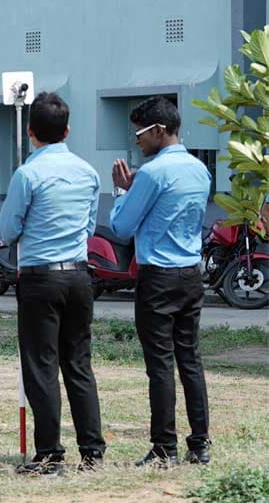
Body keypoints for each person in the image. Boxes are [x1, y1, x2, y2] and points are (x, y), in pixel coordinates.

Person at [0, 92, 106, 476]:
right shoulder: (88, 173)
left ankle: (49, 455)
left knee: (42, 366)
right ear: (67, 130)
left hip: (40, 278)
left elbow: (8, 228)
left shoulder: (27, 174)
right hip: (79, 276)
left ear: (30, 131)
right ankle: (92, 452)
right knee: (78, 364)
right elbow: (89, 228)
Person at [110, 95, 212, 467]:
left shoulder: (152, 173)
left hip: (158, 278)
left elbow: (122, 227)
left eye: (140, 133)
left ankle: (164, 447)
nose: (137, 140)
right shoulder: (200, 170)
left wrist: (122, 192)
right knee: (190, 360)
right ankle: (199, 444)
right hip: (191, 274)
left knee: (160, 365)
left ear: (159, 130)